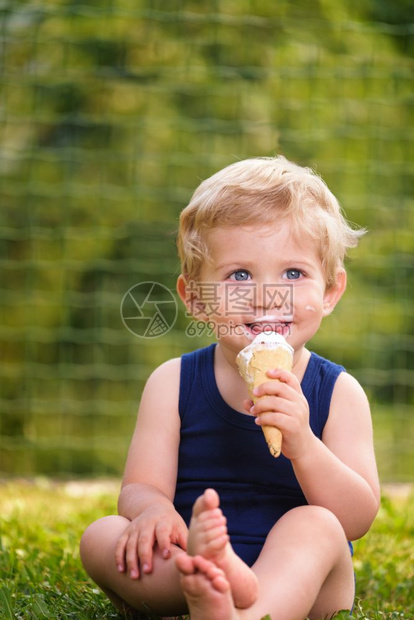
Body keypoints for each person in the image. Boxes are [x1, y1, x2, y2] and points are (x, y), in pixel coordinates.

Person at [80, 155, 380, 620]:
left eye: (293, 274)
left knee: (316, 524)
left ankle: (246, 606)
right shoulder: (171, 383)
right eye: (239, 275)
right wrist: (154, 512)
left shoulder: (339, 392)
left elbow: (357, 518)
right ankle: (210, 588)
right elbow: (140, 485)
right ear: (196, 298)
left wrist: (304, 445)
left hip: (306, 576)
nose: (265, 294)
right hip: (196, 553)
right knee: (101, 535)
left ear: (329, 292)